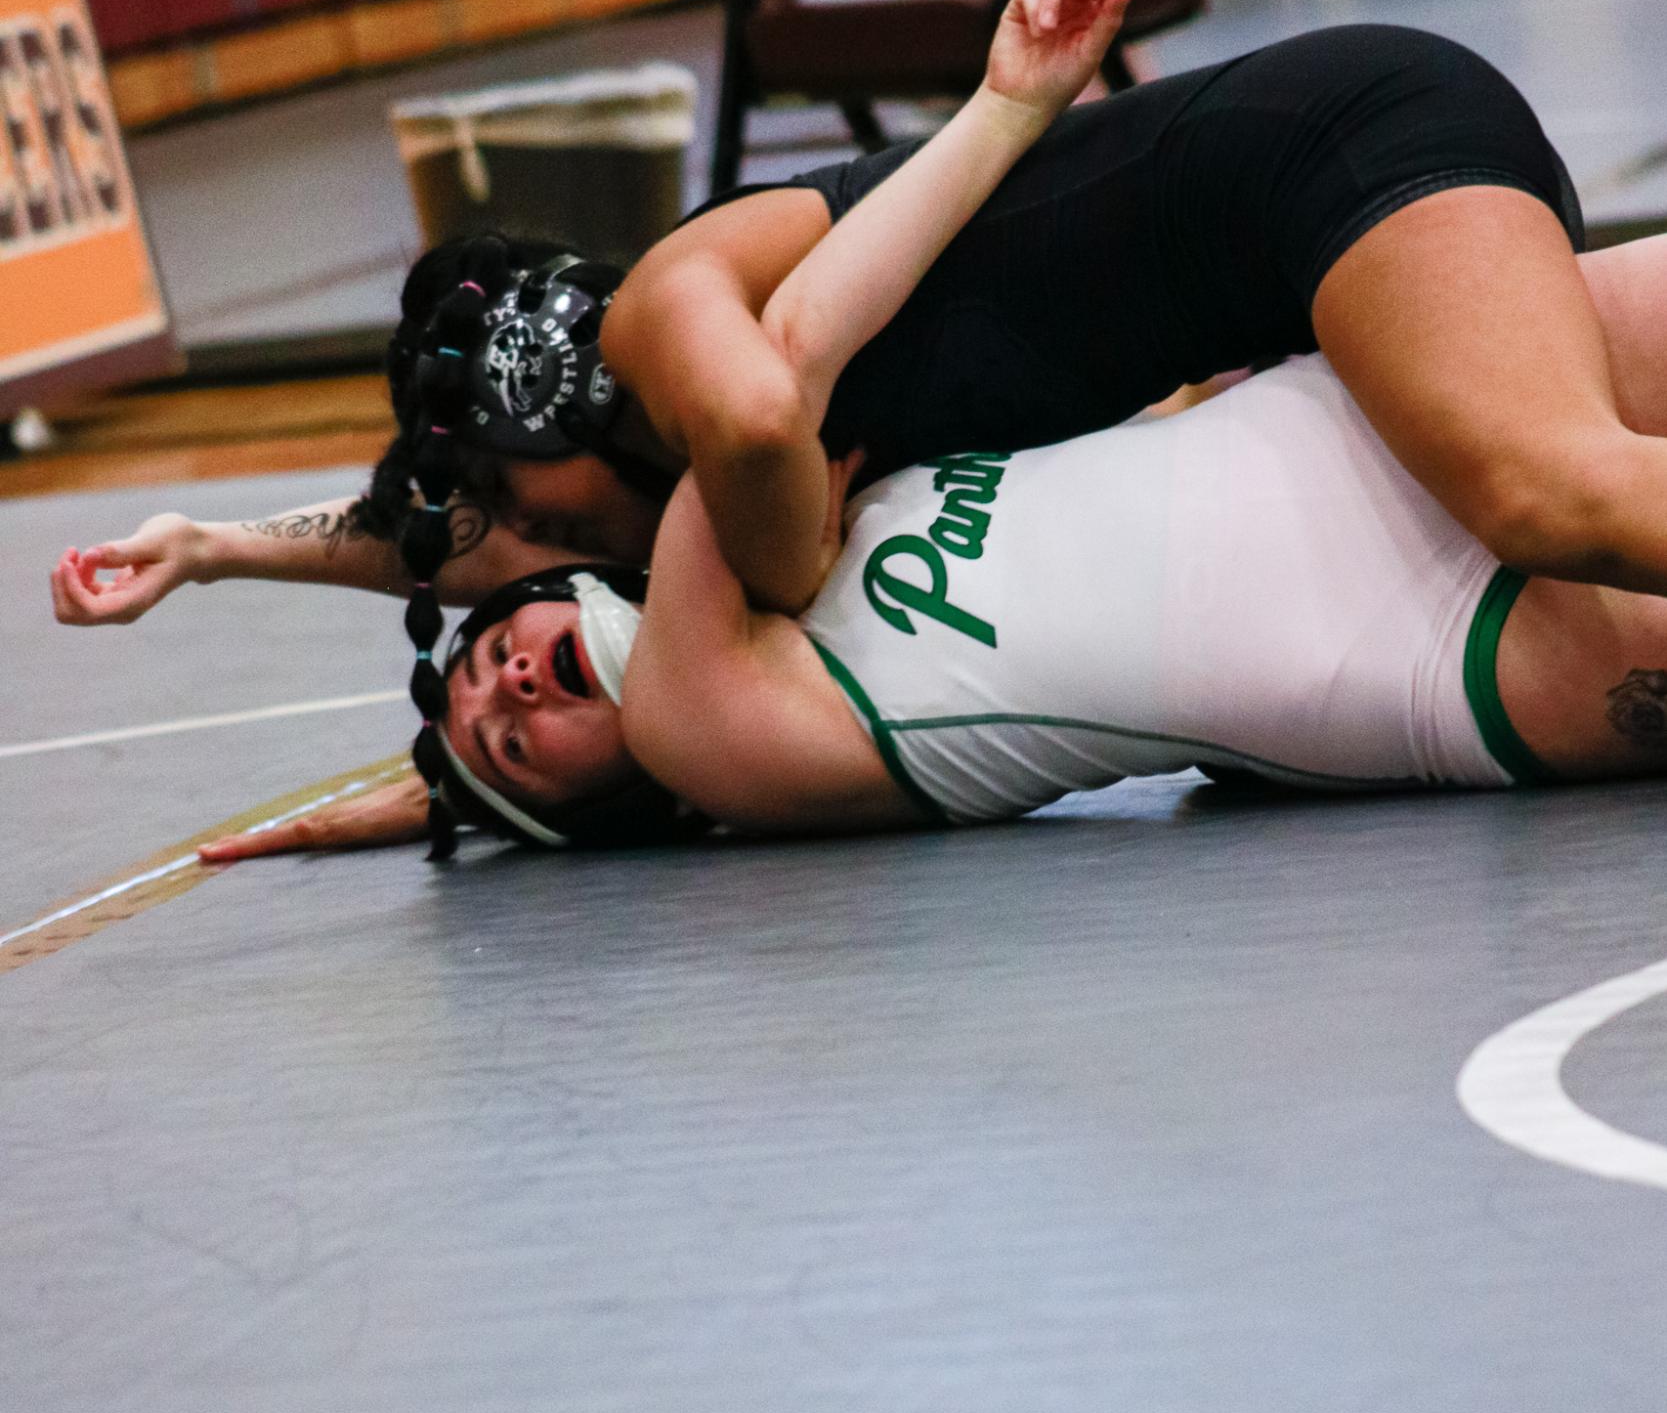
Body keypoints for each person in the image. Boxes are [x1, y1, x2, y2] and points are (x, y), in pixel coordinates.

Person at [55, 0, 1667, 673]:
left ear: (569, 449)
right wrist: (212, 547)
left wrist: (776, 540)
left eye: (530, 526)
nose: (527, 565)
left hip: (1328, 159)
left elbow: (759, 441)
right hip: (1305, 210)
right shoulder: (613, 423)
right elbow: (443, 532)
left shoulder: (665, 324)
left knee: (1548, 496)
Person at [191, 333, 1667, 863]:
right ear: (614, 809)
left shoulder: (755, 572)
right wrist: (434, 789)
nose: (507, 687)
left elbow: (486, 537)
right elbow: (733, 385)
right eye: (512, 741)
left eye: (490, 664)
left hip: (1337, 408)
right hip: (1427, 650)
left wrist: (212, 545)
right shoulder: (725, 726)